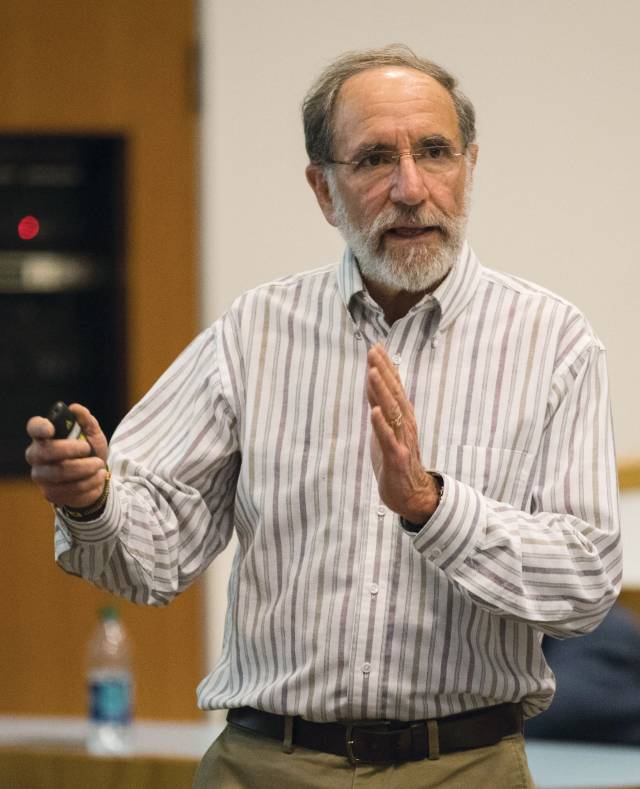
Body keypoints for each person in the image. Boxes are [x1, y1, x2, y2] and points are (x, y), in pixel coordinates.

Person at [26, 44, 622, 788]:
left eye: (434, 152)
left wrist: (433, 508)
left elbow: (587, 581)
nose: (411, 188)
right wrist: (92, 499)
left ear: (470, 165)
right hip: (266, 762)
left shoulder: (551, 339)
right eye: (374, 159)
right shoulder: (258, 330)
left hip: (464, 766)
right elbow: (154, 558)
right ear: (322, 188)